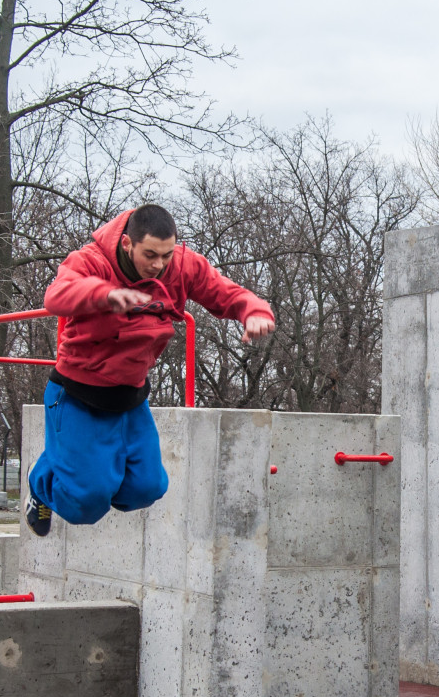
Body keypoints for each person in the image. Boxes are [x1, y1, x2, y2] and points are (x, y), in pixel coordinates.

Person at [25, 204, 275, 535]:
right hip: (77, 394)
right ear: (128, 243)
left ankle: (71, 462)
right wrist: (105, 294)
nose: (158, 265)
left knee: (147, 488)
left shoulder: (182, 266)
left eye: (166, 255)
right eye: (150, 255)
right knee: (86, 502)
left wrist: (253, 311)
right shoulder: (92, 260)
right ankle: (40, 482)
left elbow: (224, 292)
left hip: (129, 397)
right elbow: (57, 295)